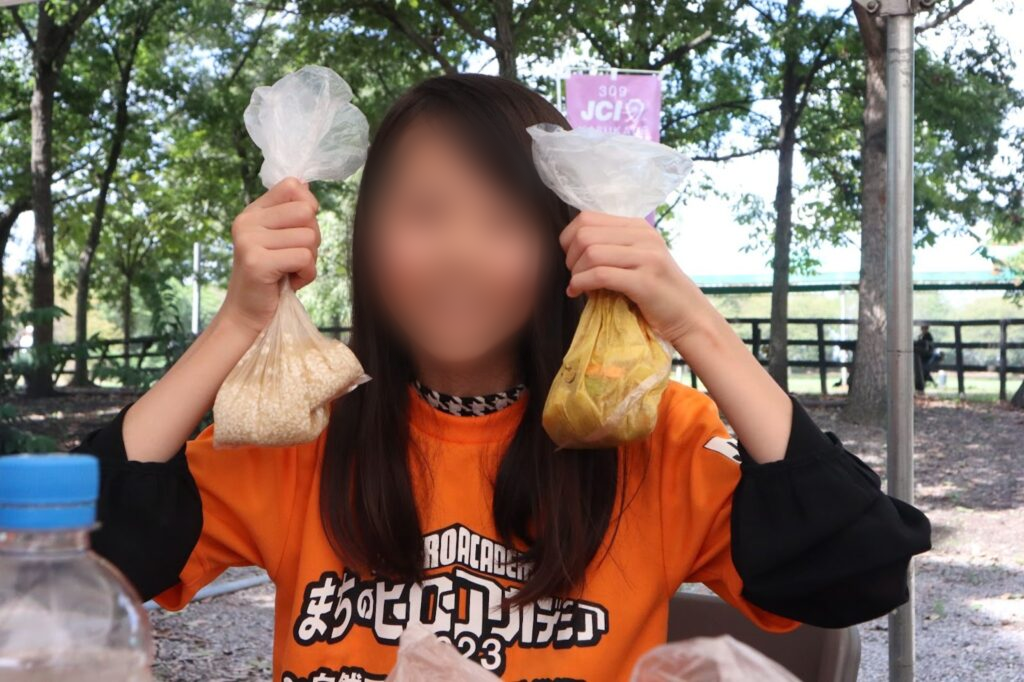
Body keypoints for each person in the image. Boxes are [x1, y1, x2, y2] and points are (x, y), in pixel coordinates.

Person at [76, 74, 931, 682]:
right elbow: (81, 565)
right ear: (366, 242)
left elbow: (857, 570)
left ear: (562, 247)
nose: (460, 253)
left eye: (504, 220)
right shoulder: (305, 431)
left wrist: (695, 325)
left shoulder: (650, 434)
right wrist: (236, 323)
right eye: (424, 213)